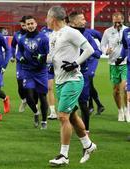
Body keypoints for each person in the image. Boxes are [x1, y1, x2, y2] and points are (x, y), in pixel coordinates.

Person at [46, 6, 97, 166]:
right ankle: (88, 145)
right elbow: (55, 55)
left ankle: (64, 155)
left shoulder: (70, 32)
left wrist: (75, 63)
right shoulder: (52, 35)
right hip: (60, 81)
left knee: (63, 116)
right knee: (73, 117)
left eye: (47, 17)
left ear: (53, 18)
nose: (46, 20)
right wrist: (48, 62)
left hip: (73, 80)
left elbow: (89, 49)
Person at [68, 11, 102, 134]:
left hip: (83, 73)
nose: (85, 21)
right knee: (68, 104)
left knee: (83, 103)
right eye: (82, 19)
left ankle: (86, 130)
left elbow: (97, 52)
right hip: (67, 74)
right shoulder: (65, 34)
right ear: (73, 22)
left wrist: (87, 53)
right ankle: (69, 125)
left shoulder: (87, 35)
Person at [18, 15, 49, 129]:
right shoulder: (22, 39)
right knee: (29, 96)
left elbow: (49, 54)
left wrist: (42, 57)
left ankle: (44, 121)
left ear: (36, 24)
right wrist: (20, 58)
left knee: (42, 96)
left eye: (32, 23)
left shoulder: (44, 38)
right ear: (25, 26)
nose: (30, 26)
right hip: (28, 71)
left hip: (41, 72)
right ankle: (36, 112)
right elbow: (19, 52)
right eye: (28, 24)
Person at [100, 12, 128, 121]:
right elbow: (102, 45)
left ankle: (127, 109)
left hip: (126, 63)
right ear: (112, 21)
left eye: (119, 21)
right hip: (113, 63)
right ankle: (120, 110)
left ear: (122, 20)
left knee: (125, 88)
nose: (117, 23)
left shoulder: (127, 31)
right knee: (116, 90)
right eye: (115, 21)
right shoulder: (107, 32)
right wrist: (105, 50)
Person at [86, 29, 105, 115]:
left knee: (88, 80)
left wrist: (102, 48)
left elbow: (102, 37)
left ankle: (91, 106)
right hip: (84, 60)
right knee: (88, 83)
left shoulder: (90, 32)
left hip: (92, 59)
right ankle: (98, 105)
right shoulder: (73, 33)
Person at [11, 16, 27, 112]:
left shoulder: (34, 36)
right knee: (20, 85)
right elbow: (13, 46)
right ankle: (24, 100)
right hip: (20, 63)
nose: (24, 27)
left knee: (32, 85)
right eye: (22, 25)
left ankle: (35, 104)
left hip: (32, 63)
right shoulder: (17, 35)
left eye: (25, 25)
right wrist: (12, 56)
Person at [41, 25, 57, 120]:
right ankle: (53, 111)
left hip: (60, 62)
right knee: (49, 87)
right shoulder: (43, 31)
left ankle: (68, 109)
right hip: (49, 62)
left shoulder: (61, 30)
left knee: (62, 86)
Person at [119, 16, 130, 122]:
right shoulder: (126, 32)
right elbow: (125, 47)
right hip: (129, 66)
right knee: (128, 96)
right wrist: (121, 57)